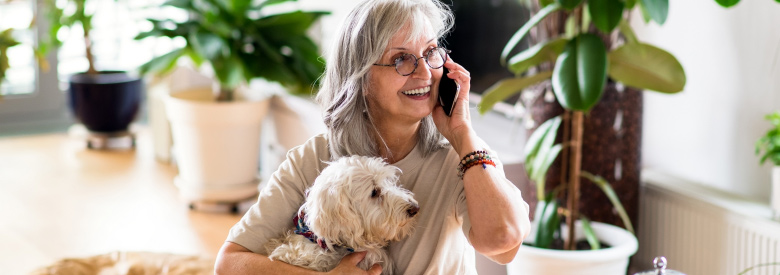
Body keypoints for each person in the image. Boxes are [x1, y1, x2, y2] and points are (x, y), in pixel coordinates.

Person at [214, 0, 530, 274]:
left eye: (431, 52)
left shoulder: (466, 156)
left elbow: (503, 245)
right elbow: (229, 264)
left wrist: (462, 134)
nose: (423, 74)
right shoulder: (311, 159)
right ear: (361, 77)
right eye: (400, 59)